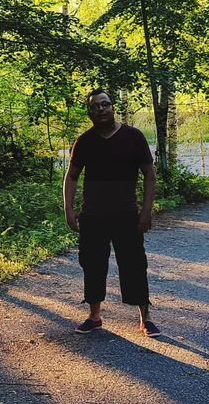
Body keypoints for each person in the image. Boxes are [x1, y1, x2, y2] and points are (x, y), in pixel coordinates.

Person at [62, 88, 160, 337]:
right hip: (93, 216)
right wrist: (69, 210)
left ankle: (145, 318)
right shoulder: (84, 141)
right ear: (89, 112)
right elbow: (71, 177)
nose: (101, 109)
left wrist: (146, 211)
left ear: (113, 107)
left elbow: (149, 175)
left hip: (127, 214)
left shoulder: (133, 137)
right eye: (95, 106)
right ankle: (94, 317)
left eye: (104, 104)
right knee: (92, 265)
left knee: (134, 264)